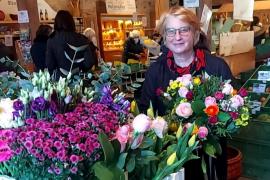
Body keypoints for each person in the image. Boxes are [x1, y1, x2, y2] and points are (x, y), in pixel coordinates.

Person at [138, 6, 233, 180]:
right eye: (171, 31)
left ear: (195, 34)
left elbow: (231, 112)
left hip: (208, 157)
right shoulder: (155, 71)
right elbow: (145, 109)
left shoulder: (217, 67)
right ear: (165, 37)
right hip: (169, 156)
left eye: (184, 30)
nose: (177, 37)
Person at [46, 10, 95, 79]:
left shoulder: (51, 40)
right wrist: (80, 69)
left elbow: (50, 64)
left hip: (61, 81)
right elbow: (89, 62)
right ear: (72, 22)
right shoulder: (82, 38)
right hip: (79, 79)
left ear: (56, 23)